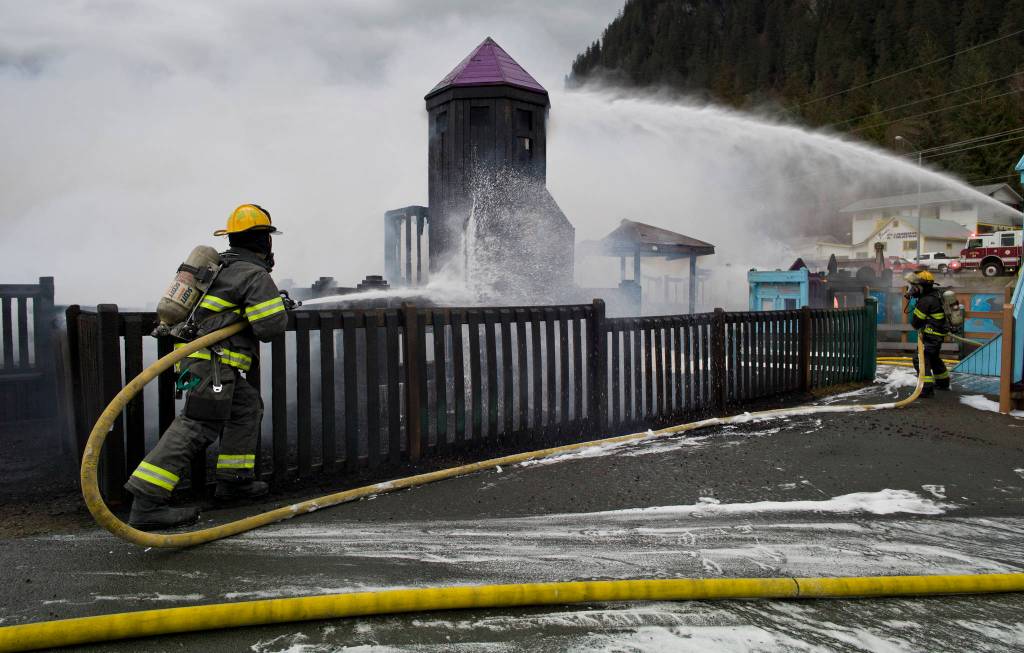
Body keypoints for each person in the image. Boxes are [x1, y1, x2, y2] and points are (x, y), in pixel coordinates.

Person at [125, 205, 289, 530]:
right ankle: (147, 501)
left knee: (246, 408)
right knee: (196, 426)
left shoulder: (220, 268)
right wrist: (277, 307)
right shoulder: (254, 275)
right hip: (214, 365)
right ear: (264, 242)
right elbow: (269, 329)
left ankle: (234, 481)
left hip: (203, 361)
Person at [906, 270, 950, 398]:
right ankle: (943, 382)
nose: (912, 289)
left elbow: (916, 323)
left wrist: (914, 302)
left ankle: (926, 389)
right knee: (933, 357)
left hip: (931, 335)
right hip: (937, 334)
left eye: (913, 287)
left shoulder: (925, 301)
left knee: (920, 359)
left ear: (920, 287)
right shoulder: (936, 295)